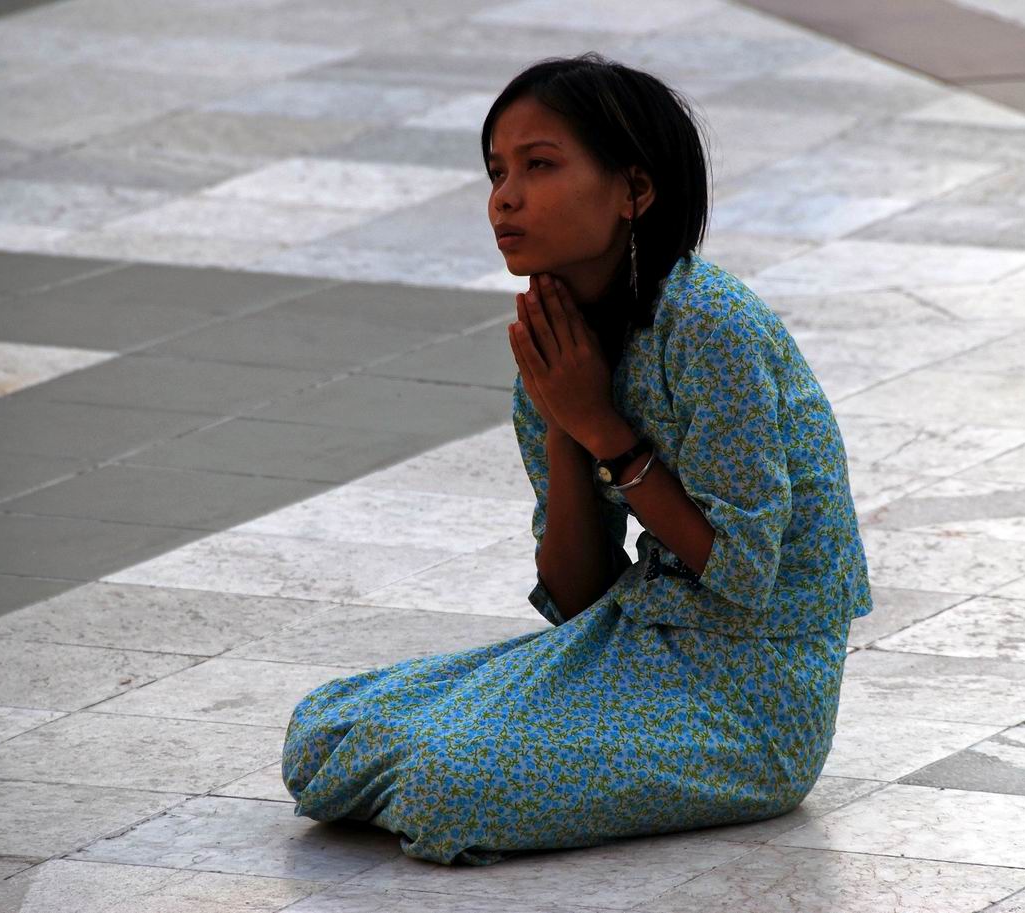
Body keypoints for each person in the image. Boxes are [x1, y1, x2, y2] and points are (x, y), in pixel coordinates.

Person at [281, 52, 873, 866]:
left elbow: (741, 573)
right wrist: (564, 414)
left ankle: (455, 768)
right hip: (637, 643)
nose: (505, 198)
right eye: (496, 172)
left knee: (447, 788)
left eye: (540, 165)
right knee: (329, 727)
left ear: (634, 190)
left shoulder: (710, 326)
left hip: (754, 700)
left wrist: (602, 428)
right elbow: (575, 594)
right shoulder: (561, 342)